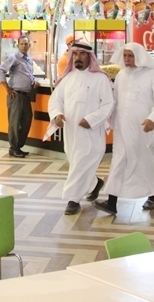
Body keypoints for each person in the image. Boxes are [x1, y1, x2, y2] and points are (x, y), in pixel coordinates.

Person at [94, 43, 154, 215]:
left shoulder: (152, 75)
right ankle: (111, 202)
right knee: (118, 162)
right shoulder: (121, 75)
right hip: (122, 129)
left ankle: (153, 197)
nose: (127, 59)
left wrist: (152, 119)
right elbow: (115, 102)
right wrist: (110, 122)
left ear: (139, 56)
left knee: (146, 163)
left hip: (144, 130)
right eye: (125, 56)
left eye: (131, 56)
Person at [48, 40, 114, 215]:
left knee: (80, 164)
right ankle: (94, 183)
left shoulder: (100, 79)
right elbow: (55, 100)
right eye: (75, 54)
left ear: (90, 57)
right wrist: (57, 114)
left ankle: (73, 200)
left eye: (82, 54)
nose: (78, 57)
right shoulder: (67, 78)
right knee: (76, 163)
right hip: (71, 132)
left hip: (91, 132)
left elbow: (108, 104)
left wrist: (91, 120)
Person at [0, 35, 37, 158]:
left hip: (26, 96)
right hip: (16, 95)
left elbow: (28, 74)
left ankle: (18, 146)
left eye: (26, 44)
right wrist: (7, 89)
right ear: (18, 45)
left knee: (26, 120)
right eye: (22, 44)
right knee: (14, 123)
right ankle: (13, 148)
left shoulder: (29, 59)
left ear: (29, 45)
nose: (24, 46)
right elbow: (0, 70)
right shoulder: (13, 58)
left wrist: (34, 80)